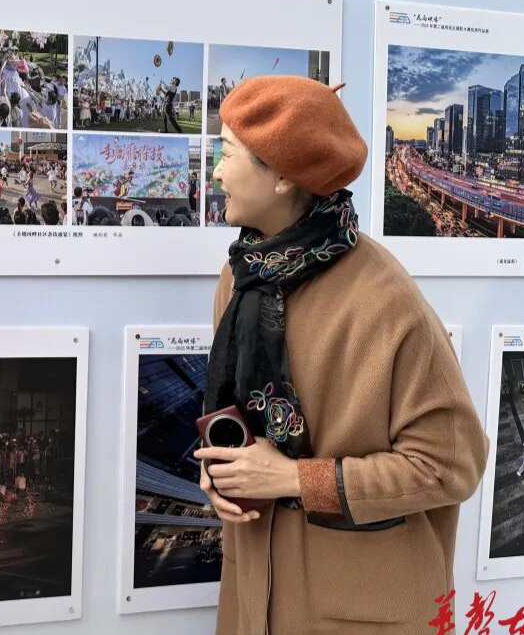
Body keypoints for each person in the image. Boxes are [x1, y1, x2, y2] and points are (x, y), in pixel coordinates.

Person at [196, 76, 487, 634]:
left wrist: (294, 480)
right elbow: (239, 421)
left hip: (357, 608)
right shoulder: (241, 277)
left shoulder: (386, 301)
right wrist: (223, 475)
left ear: (282, 175)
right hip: (255, 595)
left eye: (226, 153)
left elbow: (453, 463)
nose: (214, 172)